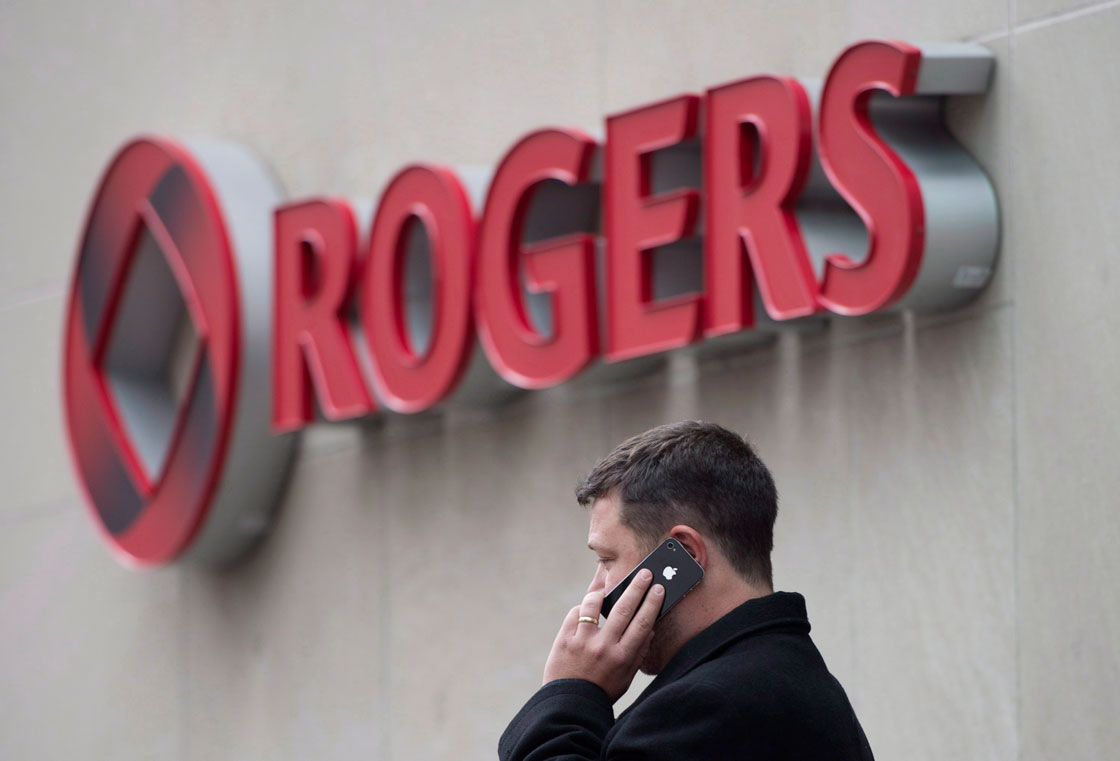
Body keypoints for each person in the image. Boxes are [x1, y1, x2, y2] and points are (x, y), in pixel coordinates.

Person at [498, 421, 874, 760]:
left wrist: (569, 696)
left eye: (607, 559)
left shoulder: (705, 705)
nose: (596, 590)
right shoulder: (795, 679)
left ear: (684, 556)